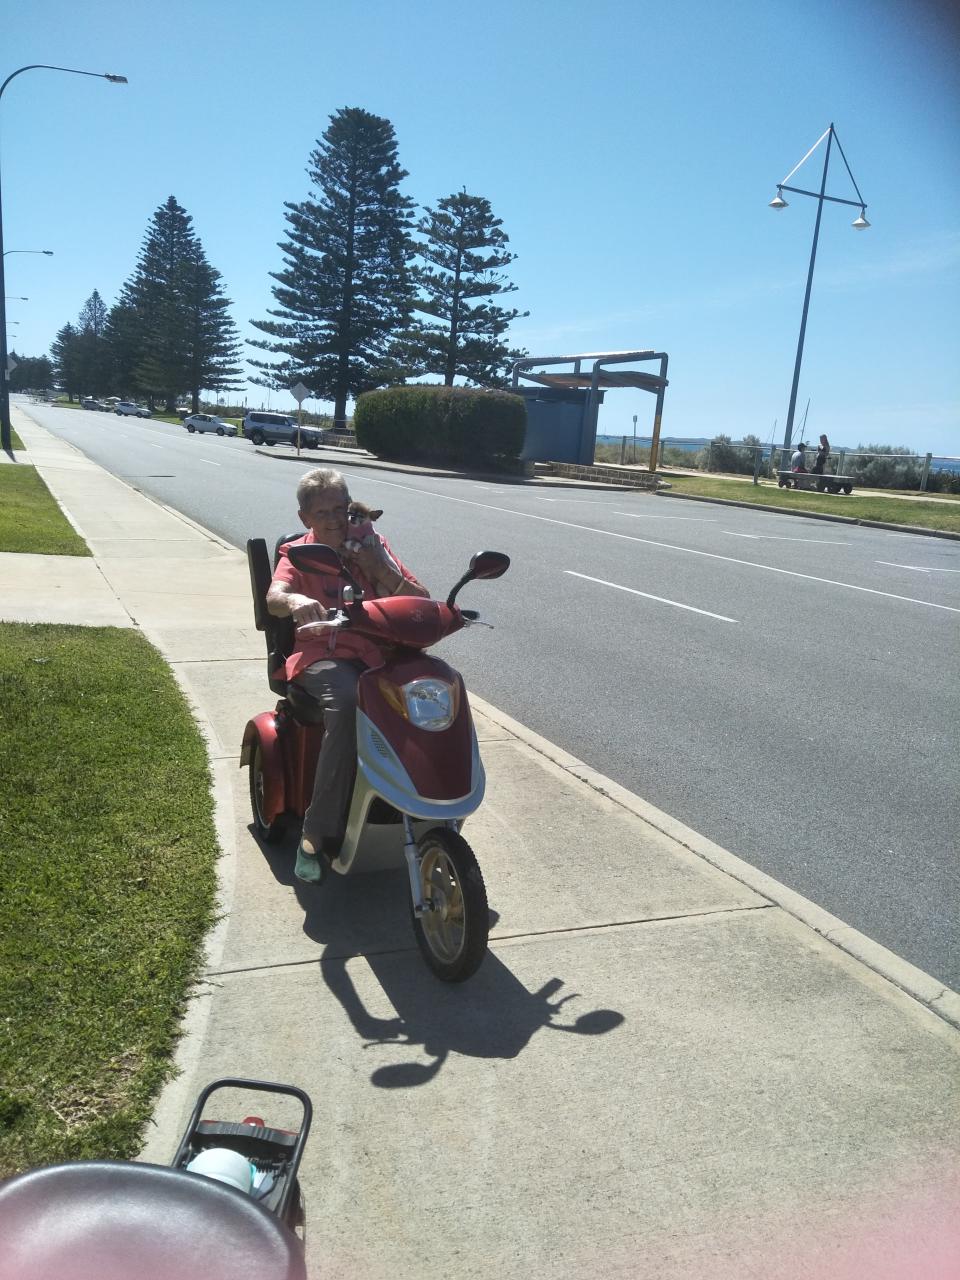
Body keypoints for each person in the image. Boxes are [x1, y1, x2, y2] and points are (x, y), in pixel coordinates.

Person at [266, 468, 429, 884]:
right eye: (323, 513)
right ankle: (315, 833)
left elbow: (419, 601)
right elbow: (275, 597)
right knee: (349, 698)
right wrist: (297, 598)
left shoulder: (372, 546)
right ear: (306, 518)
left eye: (341, 509)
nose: (336, 520)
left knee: (430, 692)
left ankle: (426, 807)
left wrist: (376, 565)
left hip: (376, 655)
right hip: (321, 656)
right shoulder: (297, 553)